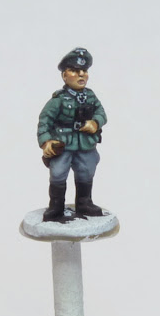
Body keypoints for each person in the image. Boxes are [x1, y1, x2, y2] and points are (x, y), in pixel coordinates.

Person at [37, 48, 108, 221]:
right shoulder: (58, 99)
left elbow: (101, 113)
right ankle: (56, 207)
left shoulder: (90, 96)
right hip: (63, 144)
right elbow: (44, 121)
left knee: (86, 171)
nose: (81, 74)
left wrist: (95, 122)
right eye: (75, 71)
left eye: (84, 71)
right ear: (64, 75)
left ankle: (84, 203)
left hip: (85, 144)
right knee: (58, 173)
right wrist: (46, 142)